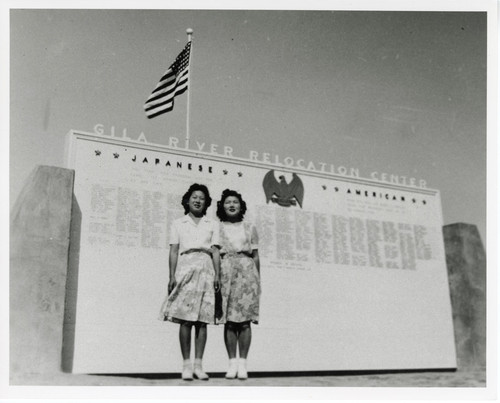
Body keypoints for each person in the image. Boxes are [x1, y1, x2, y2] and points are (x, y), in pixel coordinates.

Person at [159, 183, 221, 381]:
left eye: (202, 198)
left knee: (202, 321)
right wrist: (171, 275)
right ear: (187, 200)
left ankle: (198, 366)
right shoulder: (179, 223)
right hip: (186, 268)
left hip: (206, 268)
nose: (197, 200)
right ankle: (186, 365)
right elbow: (174, 250)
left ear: (206, 202)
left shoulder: (212, 224)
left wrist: (218, 275)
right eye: (194, 197)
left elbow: (216, 251)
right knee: (185, 319)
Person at [216, 189, 261, 380]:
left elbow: (256, 255)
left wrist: (258, 279)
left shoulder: (249, 227)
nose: (232, 205)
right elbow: (216, 254)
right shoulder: (217, 228)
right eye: (228, 202)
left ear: (241, 206)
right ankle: (232, 363)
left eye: (235, 202)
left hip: (246, 273)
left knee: (244, 322)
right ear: (222, 206)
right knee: (229, 321)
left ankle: (243, 364)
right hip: (227, 273)